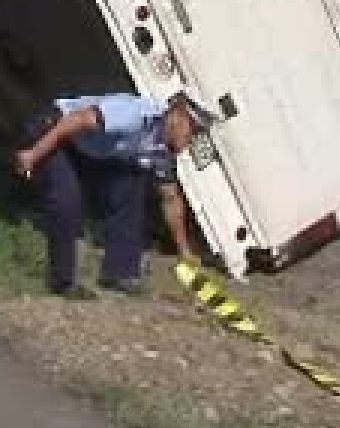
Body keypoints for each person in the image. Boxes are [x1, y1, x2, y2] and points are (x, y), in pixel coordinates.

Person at [14, 92, 207, 299]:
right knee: (66, 198)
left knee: (132, 182)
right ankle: (62, 282)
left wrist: (185, 252)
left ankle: (119, 274)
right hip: (56, 129)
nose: (192, 139)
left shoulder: (161, 150)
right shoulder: (135, 115)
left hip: (89, 148)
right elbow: (76, 119)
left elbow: (170, 198)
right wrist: (34, 153)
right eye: (193, 130)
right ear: (177, 116)